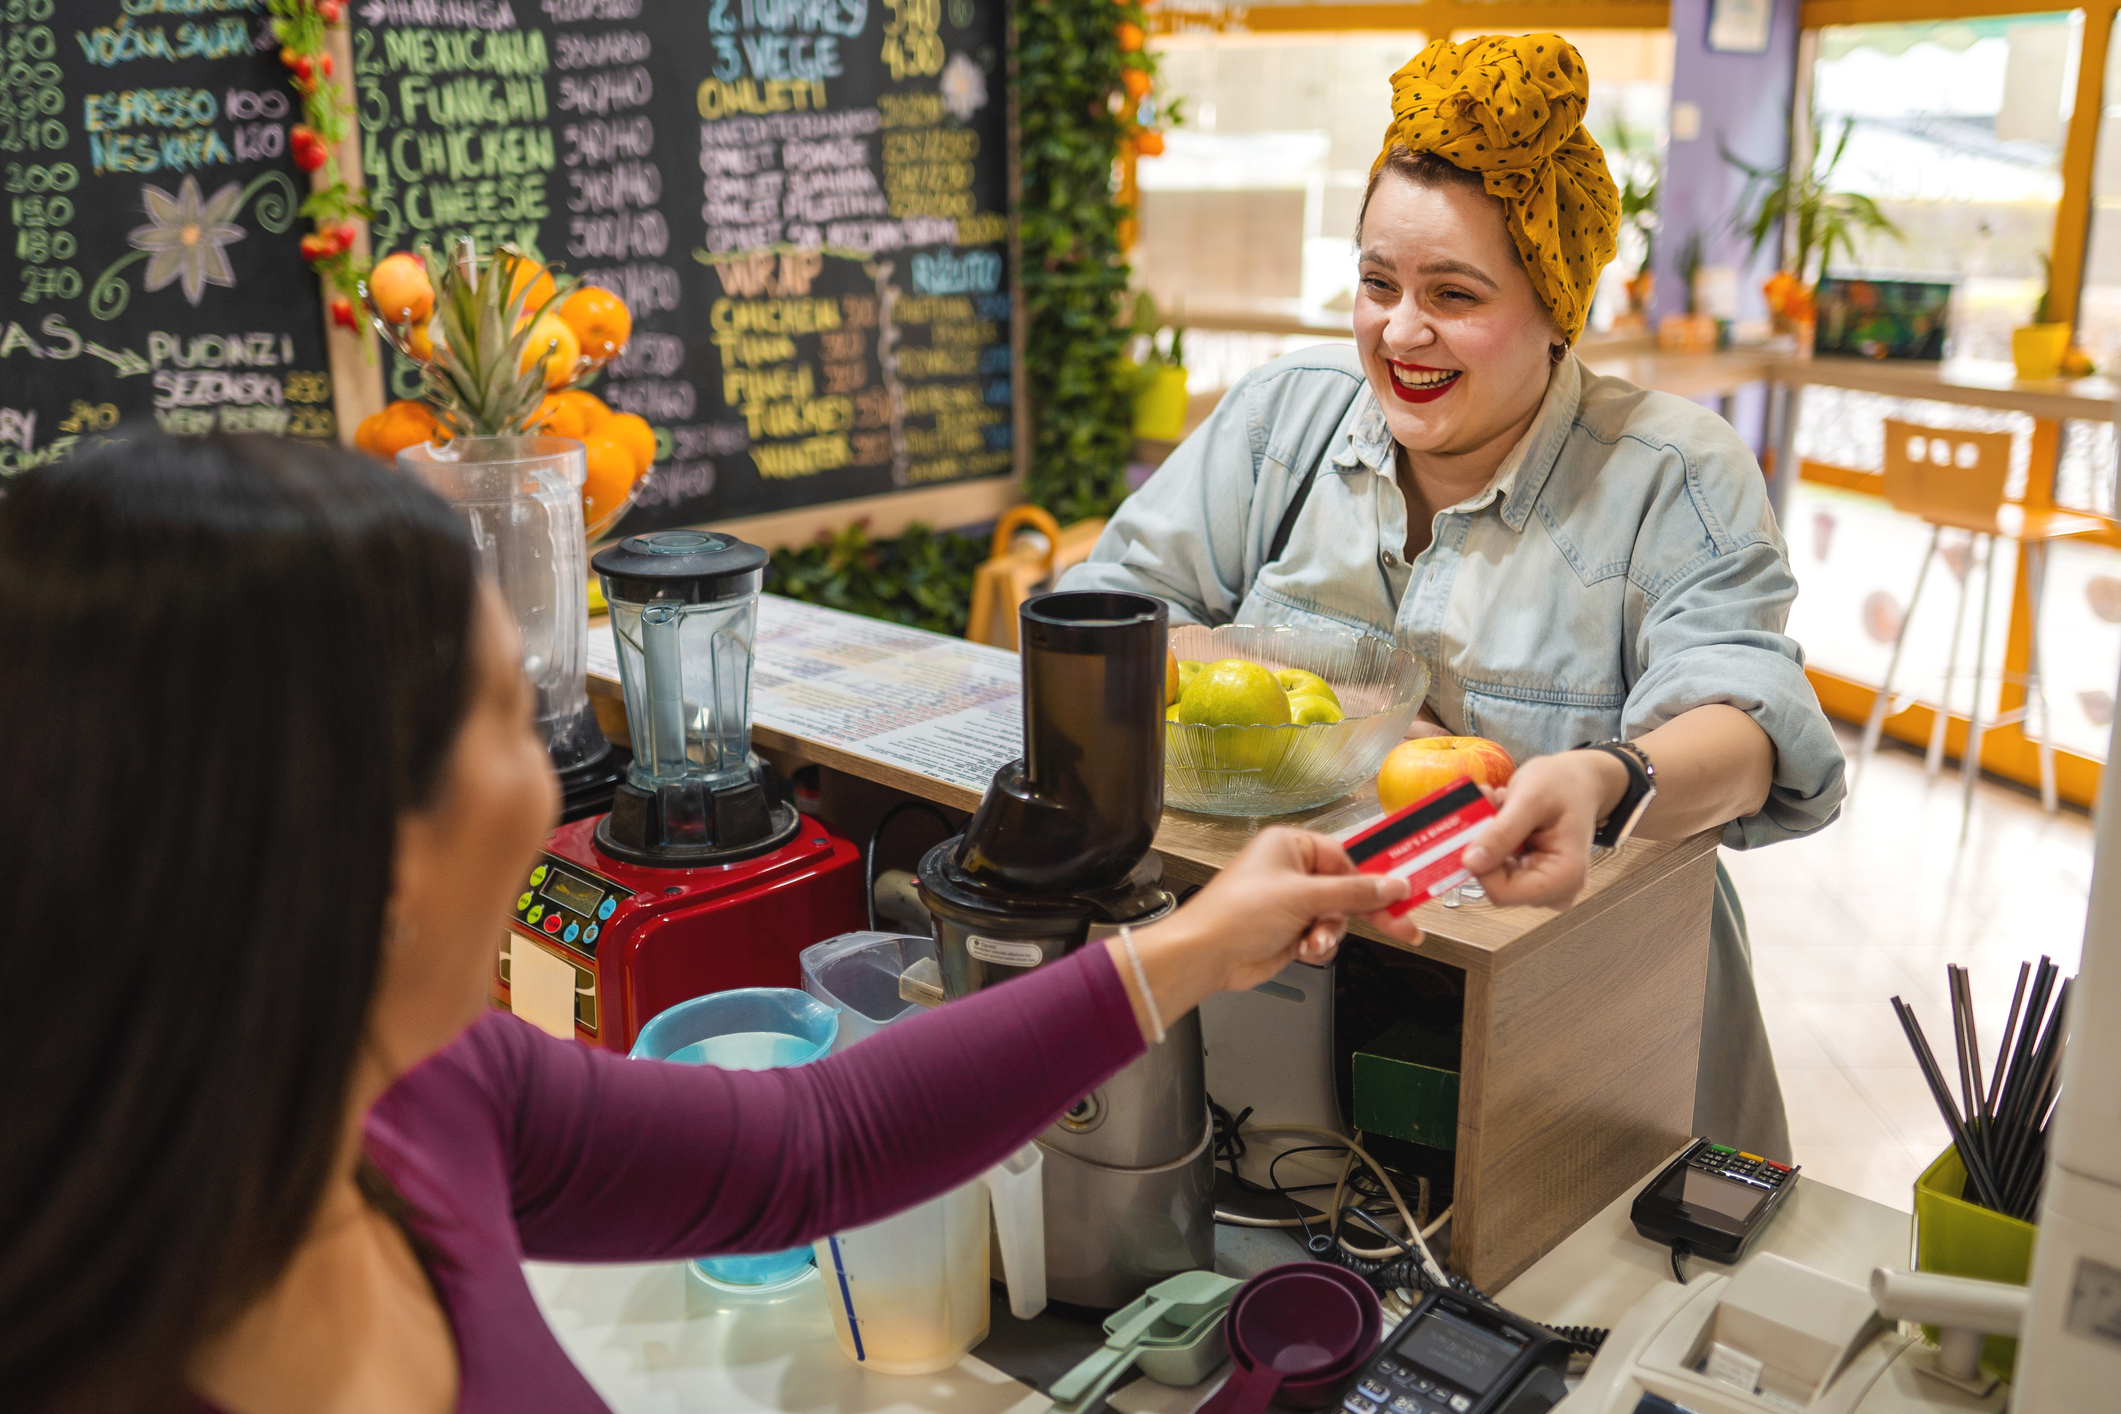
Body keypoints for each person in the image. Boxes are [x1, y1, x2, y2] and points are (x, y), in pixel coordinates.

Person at [0, 432, 1417, 1414]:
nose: (567, 763)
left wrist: (1190, 946)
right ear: (358, 843)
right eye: (517, 716)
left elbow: (814, 1145)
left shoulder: (419, 1089)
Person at [1064, 34, 1846, 1159]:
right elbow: (1110, 615)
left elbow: (1750, 722)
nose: (1401, 331)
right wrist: (1333, 705)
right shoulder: (1288, 416)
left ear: (1557, 308)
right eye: (1377, 284)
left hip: (1587, 1027)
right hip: (1291, 992)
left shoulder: (1669, 471)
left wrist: (1603, 781)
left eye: (1455, 294)